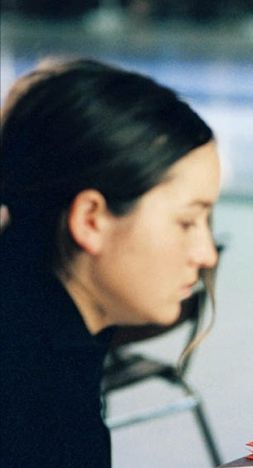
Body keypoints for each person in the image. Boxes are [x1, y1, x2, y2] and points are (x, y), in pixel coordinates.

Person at [0, 59, 221, 467]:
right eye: (187, 222)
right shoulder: (34, 400)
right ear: (91, 219)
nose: (207, 255)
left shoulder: (49, 336)